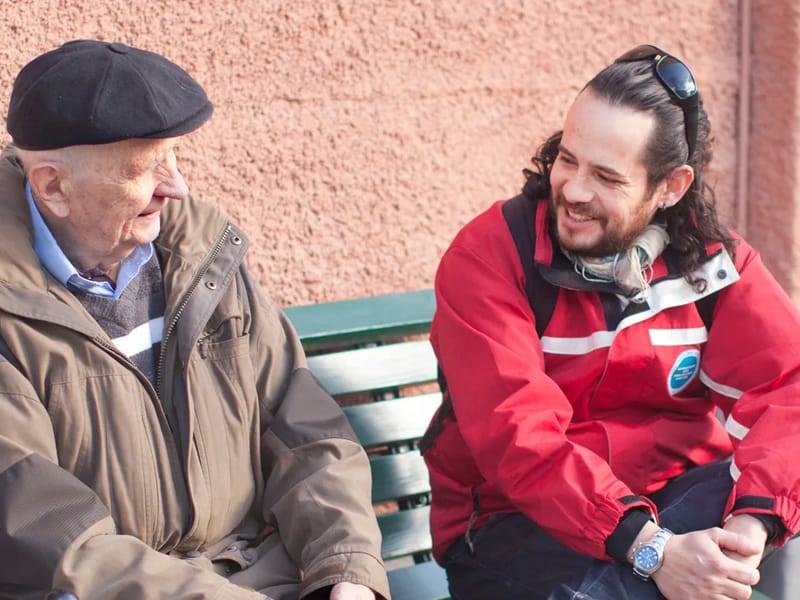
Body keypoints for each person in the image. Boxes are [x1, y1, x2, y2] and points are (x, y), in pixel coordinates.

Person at [0, 40, 388, 600]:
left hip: (257, 577)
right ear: (54, 188)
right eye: (144, 167)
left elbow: (306, 433)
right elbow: (58, 542)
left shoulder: (202, 259)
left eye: (175, 156)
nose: (175, 185)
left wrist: (347, 568)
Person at [422, 43, 800, 600]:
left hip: (675, 496)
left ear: (670, 187)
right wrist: (654, 550)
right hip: (515, 525)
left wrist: (750, 532)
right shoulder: (490, 256)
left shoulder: (713, 264)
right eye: (567, 159)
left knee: (779, 513)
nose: (574, 190)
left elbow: (787, 386)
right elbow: (519, 440)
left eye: (606, 176)